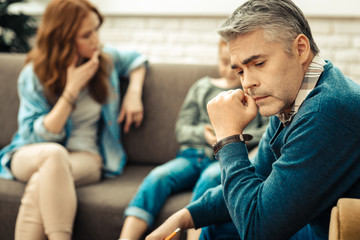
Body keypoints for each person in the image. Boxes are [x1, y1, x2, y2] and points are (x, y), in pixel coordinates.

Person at [145, 0, 360, 240]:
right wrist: (182, 218)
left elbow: (258, 230)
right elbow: (258, 175)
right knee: (216, 228)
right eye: (240, 71)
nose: (247, 83)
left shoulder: (325, 112)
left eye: (258, 63)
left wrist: (228, 138)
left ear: (300, 49)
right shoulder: (295, 96)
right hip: (311, 224)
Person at [0, 0, 147, 239]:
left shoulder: (104, 61)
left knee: (42, 181)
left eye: (97, 30)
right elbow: (32, 137)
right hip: (30, 154)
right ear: (64, 38)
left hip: (86, 157)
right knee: (53, 155)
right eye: (87, 35)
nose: (96, 40)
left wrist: (133, 93)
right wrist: (71, 92)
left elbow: (136, 60)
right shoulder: (34, 75)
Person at [119, 40, 268, 240]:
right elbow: (182, 128)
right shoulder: (201, 87)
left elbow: (266, 132)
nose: (229, 69)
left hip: (221, 161)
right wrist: (205, 135)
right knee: (158, 177)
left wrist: (232, 136)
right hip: (192, 156)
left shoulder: (251, 95)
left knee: (210, 178)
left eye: (237, 67)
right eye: (225, 62)